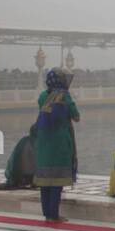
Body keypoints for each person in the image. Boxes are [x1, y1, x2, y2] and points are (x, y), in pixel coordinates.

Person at [33, 67, 80, 222]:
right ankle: (54, 215)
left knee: (45, 181)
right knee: (56, 182)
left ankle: (47, 214)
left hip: (43, 142)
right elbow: (76, 116)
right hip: (59, 143)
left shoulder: (42, 96)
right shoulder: (64, 97)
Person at [0, 124, 37, 190]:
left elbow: (14, 162)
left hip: (22, 178)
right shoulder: (44, 143)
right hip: (39, 178)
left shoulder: (24, 141)